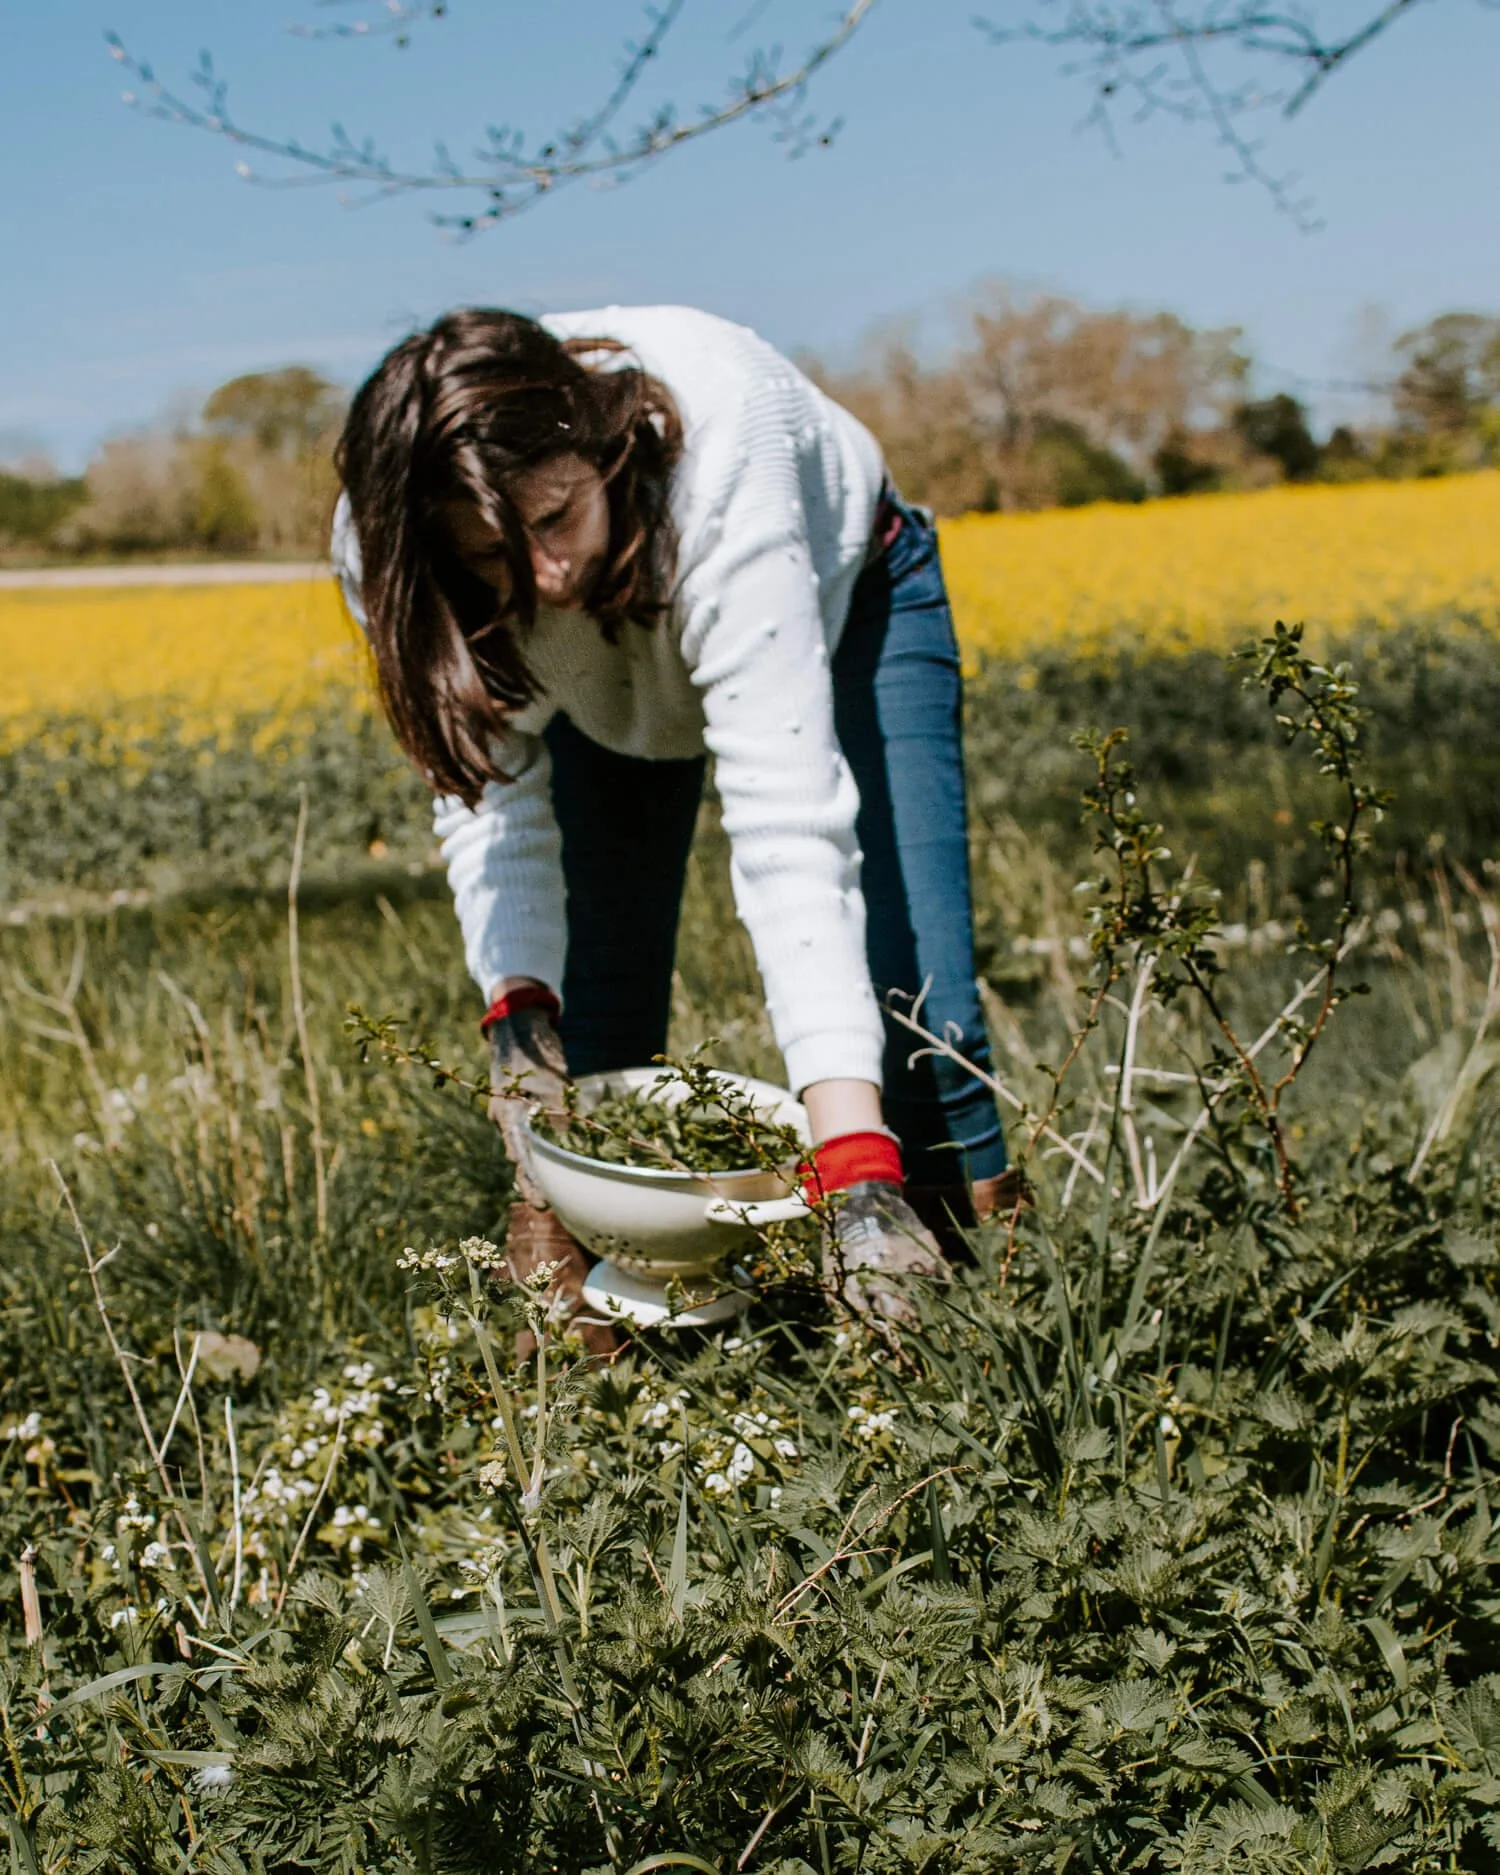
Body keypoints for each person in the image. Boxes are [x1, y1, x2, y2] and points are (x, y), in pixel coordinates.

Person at [332, 303, 1011, 1350]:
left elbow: (787, 824)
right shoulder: (394, 549)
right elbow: (491, 809)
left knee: (920, 1018)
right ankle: (605, 1362)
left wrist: (856, 1177)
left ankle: (983, 1329)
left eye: (555, 519)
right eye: (489, 555)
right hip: (609, 679)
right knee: (595, 1021)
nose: (540, 580)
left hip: (848, 601)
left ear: (600, 445)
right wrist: (530, 1114)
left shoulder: (722, 453)